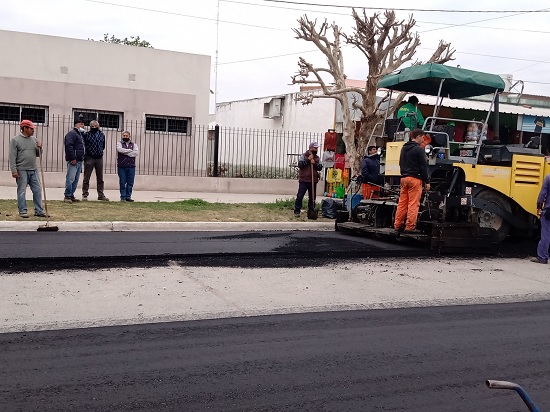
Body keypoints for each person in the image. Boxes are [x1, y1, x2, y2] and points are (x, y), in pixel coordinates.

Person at [9, 120, 47, 218]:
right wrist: (14, 170)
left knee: (37, 190)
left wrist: (40, 148)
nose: (33, 130)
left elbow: (38, 154)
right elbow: (12, 156)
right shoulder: (15, 140)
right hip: (21, 170)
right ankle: (22, 211)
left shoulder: (34, 140)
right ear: (25, 128)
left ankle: (39, 211)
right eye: (31, 129)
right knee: (22, 191)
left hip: (33, 169)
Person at [394, 129, 430, 233]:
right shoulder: (419, 149)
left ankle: (397, 225)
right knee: (413, 204)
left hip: (404, 178)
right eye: (422, 137)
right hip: (415, 179)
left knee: (402, 203)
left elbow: (400, 163)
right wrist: (427, 181)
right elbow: (423, 167)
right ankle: (410, 227)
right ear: (418, 136)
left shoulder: (404, 148)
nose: (423, 139)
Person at [294, 141, 323, 217]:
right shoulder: (304, 156)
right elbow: (300, 165)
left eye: (317, 148)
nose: (316, 150)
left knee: (312, 197)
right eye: (315, 148)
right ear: (310, 148)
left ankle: (311, 211)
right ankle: (297, 211)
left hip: (313, 181)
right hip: (304, 180)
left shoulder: (317, 158)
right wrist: (308, 160)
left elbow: (320, 167)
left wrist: (314, 164)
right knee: (300, 196)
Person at [82, 120, 109, 201]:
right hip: (89, 157)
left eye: (95, 126)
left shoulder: (102, 135)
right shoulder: (86, 135)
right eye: (92, 126)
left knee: (100, 178)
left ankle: (101, 195)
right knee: (86, 177)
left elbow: (103, 146)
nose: (94, 127)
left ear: (98, 126)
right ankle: (85, 194)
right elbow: (84, 145)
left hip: (99, 158)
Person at [64, 115, 86, 203]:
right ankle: (67, 195)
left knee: (76, 179)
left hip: (79, 160)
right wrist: (72, 158)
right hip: (74, 160)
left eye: (83, 124)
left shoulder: (80, 135)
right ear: (76, 125)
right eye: (81, 124)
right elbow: (69, 146)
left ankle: (71, 194)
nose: (82, 126)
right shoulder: (72, 134)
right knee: (71, 178)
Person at [117, 130, 139, 202]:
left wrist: (126, 152)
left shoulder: (134, 144)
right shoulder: (119, 143)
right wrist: (130, 150)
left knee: (130, 182)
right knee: (122, 182)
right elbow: (120, 150)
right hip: (122, 166)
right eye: (124, 135)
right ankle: (123, 197)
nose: (125, 137)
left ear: (129, 136)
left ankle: (128, 196)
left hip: (131, 166)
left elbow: (136, 153)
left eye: (126, 136)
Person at [533, 174, 550, 264]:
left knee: (546, 234)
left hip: (549, 211)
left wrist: (539, 207)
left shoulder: (549, 178)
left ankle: (543, 257)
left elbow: (543, 194)